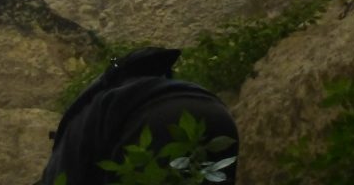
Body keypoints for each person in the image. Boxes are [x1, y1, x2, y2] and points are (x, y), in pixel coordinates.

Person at [37, 47, 237, 185]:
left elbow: (62, 178)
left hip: (153, 122)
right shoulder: (112, 99)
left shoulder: (77, 122)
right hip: (217, 114)